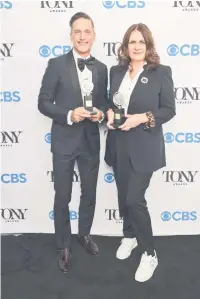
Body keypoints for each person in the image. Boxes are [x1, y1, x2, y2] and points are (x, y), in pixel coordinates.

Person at [104, 23, 176, 282]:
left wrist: (142, 118)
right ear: (125, 46)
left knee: (135, 199)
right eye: (132, 42)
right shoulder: (116, 71)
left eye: (141, 42)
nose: (136, 46)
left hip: (145, 147)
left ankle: (150, 253)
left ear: (148, 46)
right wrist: (110, 112)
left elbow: (168, 110)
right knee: (124, 196)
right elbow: (109, 102)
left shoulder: (161, 72)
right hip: (118, 144)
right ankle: (129, 236)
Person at [38, 12, 108, 273]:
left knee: (89, 194)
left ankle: (85, 234)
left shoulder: (101, 69)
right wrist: (69, 114)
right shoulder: (56, 64)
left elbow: (103, 104)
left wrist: (101, 113)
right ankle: (63, 245)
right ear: (71, 35)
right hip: (64, 141)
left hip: (90, 140)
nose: (82, 36)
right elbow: (43, 102)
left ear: (93, 35)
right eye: (77, 31)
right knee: (63, 196)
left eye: (86, 31)